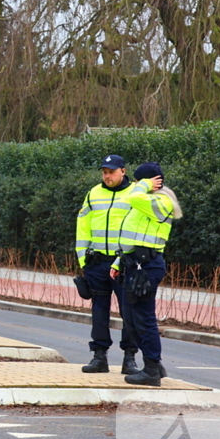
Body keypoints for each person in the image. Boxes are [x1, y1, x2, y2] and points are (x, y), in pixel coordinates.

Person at [111, 162, 182, 386]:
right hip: (133, 264)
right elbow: (132, 237)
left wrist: (142, 185)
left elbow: (132, 197)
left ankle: (151, 369)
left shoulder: (161, 201)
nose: (135, 184)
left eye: (139, 180)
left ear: (151, 181)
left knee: (143, 318)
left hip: (147, 266)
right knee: (132, 318)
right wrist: (117, 262)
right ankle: (155, 365)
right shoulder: (145, 202)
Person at [75, 154, 141, 374]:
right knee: (99, 311)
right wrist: (83, 259)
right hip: (97, 262)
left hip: (124, 263)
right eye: (104, 172)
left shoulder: (136, 194)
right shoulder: (94, 193)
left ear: (123, 171)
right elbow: (82, 226)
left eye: (111, 172)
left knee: (129, 312)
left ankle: (129, 358)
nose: (107, 176)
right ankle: (99, 356)